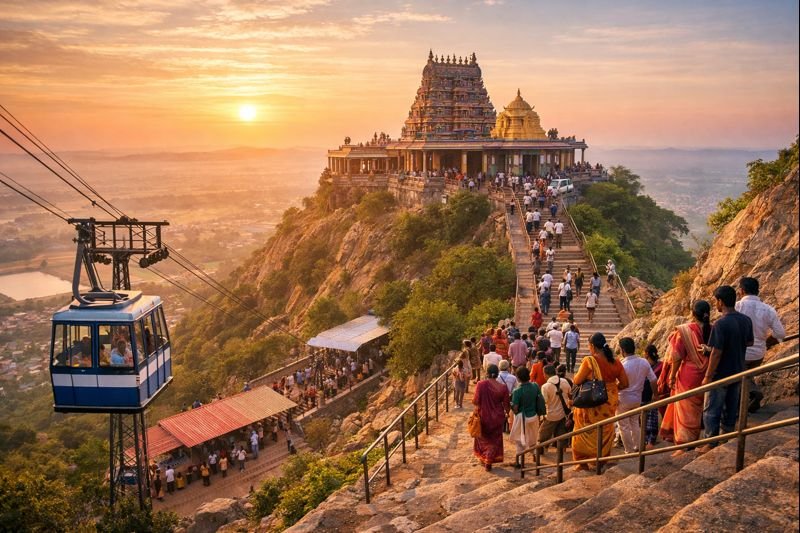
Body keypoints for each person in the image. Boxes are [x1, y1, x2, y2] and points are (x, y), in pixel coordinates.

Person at [697, 286, 753, 454]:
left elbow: (716, 353)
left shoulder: (720, 324)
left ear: (720, 301)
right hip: (738, 371)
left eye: (716, 301)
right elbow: (749, 342)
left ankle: (710, 442)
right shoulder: (745, 320)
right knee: (731, 407)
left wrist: (707, 376)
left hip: (720, 374)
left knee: (712, 410)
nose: (716, 304)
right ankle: (726, 437)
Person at [571, 333, 629, 471]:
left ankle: (582, 462)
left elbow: (577, 381)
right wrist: (611, 390)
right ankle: (601, 460)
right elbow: (625, 383)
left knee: (583, 431)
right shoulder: (616, 362)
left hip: (591, 402)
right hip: (608, 403)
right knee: (605, 430)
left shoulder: (589, 361)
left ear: (592, 346)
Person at [735, 276, 785, 413]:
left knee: (738, 378)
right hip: (759, 354)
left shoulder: (737, 307)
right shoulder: (768, 309)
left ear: (742, 290)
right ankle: (748, 404)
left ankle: (752, 395)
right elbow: (780, 333)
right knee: (747, 376)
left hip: (741, 353)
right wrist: (768, 342)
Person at [616, 337, 657, 453]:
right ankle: (638, 447)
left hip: (623, 399)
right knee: (635, 422)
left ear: (623, 350)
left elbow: (618, 383)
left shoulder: (622, 365)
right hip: (637, 398)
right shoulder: (644, 362)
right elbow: (653, 380)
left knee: (623, 426)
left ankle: (628, 450)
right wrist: (656, 395)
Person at [472, 364, 510, 471]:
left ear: (487, 373)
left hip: (483, 416)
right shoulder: (503, 387)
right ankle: (489, 459)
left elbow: (475, 401)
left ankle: (485, 458)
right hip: (497, 418)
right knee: (494, 440)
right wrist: (508, 414)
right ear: (497, 374)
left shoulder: (481, 384)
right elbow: (507, 405)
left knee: (483, 438)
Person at [510, 366, 545, 465]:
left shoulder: (517, 391)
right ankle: (535, 455)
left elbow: (516, 408)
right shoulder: (535, 386)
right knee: (533, 438)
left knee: (519, 441)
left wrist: (511, 405)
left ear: (518, 377)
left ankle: (520, 462)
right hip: (534, 416)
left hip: (522, 417)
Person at [540, 365, 572, 446]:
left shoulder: (545, 387)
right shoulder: (564, 381)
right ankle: (562, 452)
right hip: (563, 414)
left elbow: (545, 402)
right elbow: (570, 394)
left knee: (542, 436)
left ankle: (540, 451)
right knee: (561, 435)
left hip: (551, 415)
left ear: (546, 374)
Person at [642, 345, 663, 449]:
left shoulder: (645, 365)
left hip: (650, 395)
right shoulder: (659, 365)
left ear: (646, 354)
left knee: (649, 419)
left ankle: (649, 442)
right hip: (650, 395)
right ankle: (648, 441)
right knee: (649, 420)